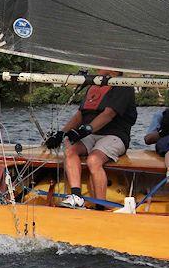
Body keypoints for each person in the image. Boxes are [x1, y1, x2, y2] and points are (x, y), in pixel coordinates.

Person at [44, 70, 137, 209]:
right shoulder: (94, 86)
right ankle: (76, 196)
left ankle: (100, 205)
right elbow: (80, 115)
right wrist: (61, 134)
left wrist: (85, 130)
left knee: (93, 160)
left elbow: (108, 114)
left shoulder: (123, 86)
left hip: (114, 135)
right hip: (91, 135)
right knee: (70, 150)